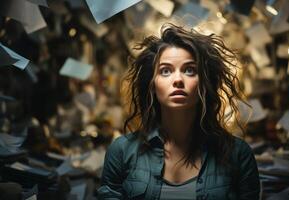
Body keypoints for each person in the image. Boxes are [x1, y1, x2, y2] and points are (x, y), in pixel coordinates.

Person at [97, 23, 260, 200]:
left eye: (189, 70)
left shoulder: (238, 154)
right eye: (165, 71)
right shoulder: (122, 151)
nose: (178, 80)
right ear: (152, 84)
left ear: (205, 83)